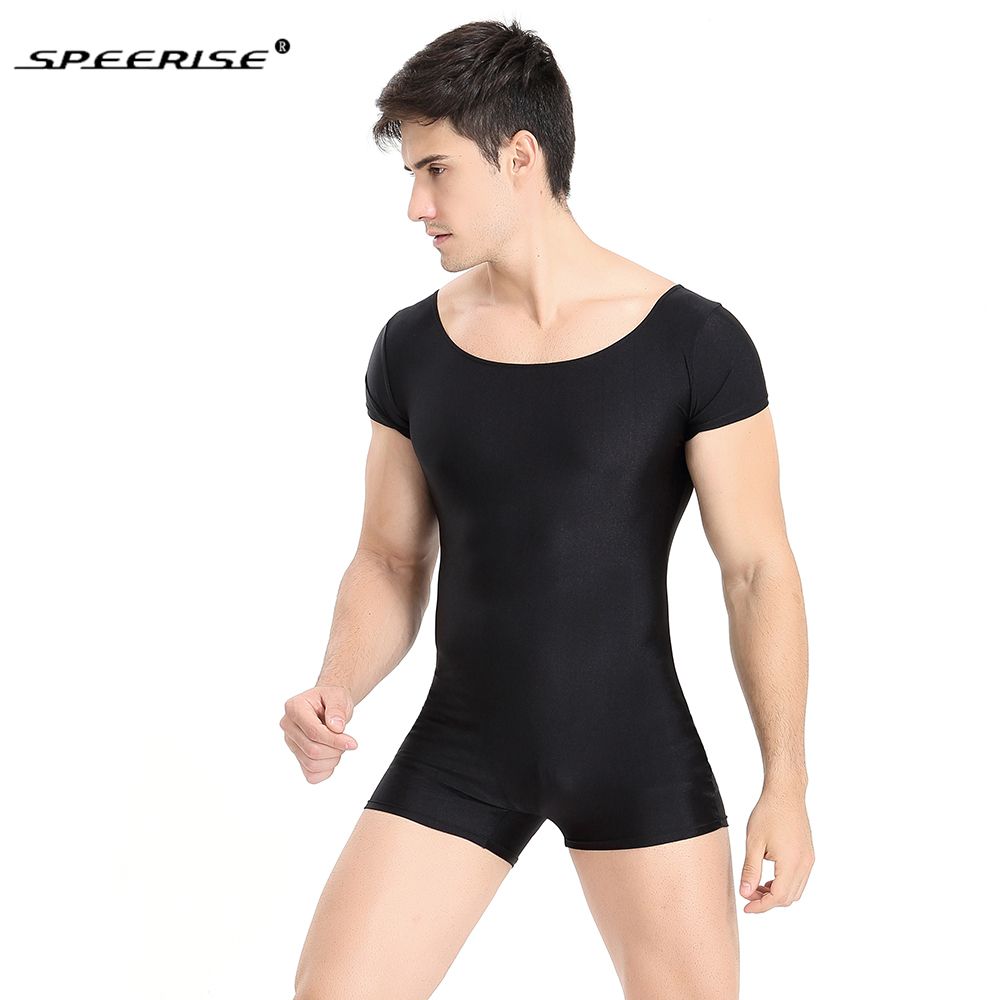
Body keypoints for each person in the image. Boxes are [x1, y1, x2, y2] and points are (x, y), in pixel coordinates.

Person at [280, 18, 813, 1000]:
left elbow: (755, 571)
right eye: (411, 173)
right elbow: (391, 558)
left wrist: (785, 779)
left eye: (436, 170)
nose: (414, 204)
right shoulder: (411, 349)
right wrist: (336, 683)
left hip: (633, 749)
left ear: (519, 157)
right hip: (461, 747)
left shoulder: (693, 344)